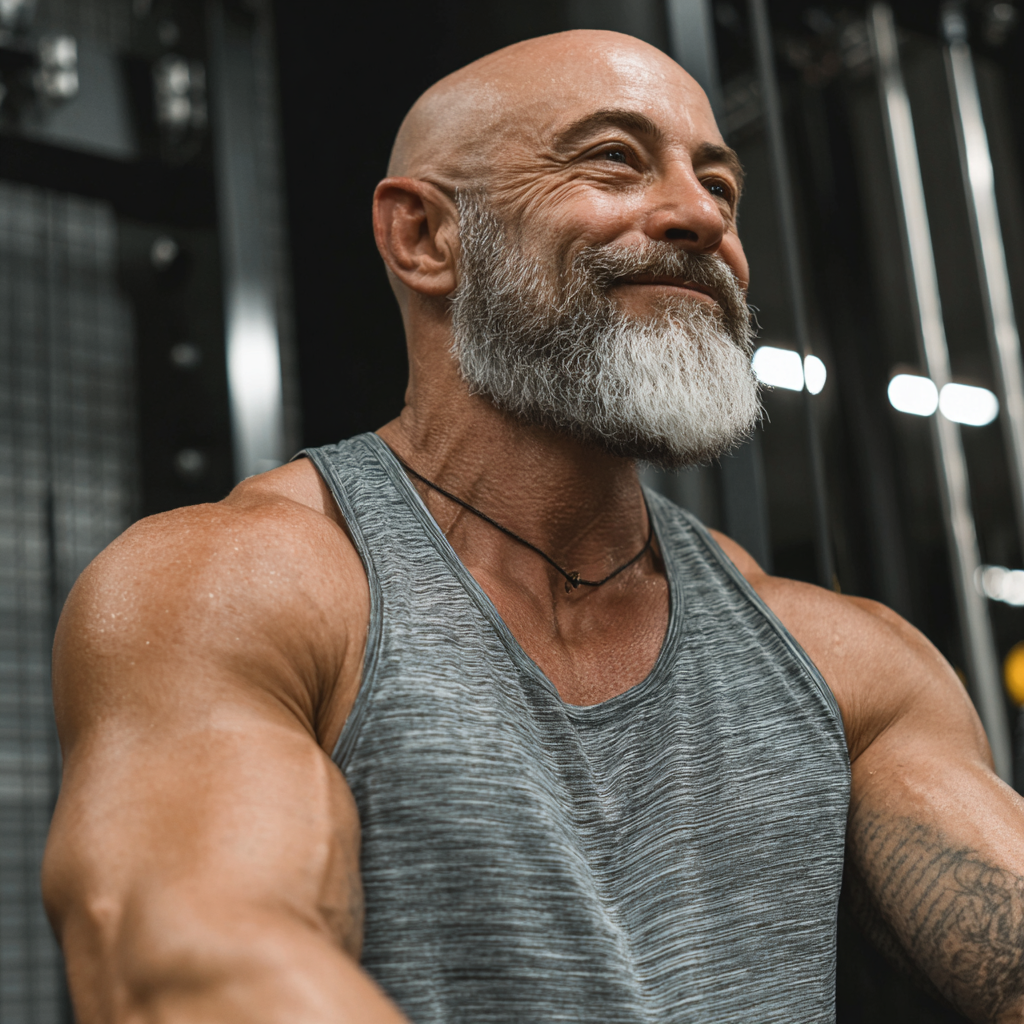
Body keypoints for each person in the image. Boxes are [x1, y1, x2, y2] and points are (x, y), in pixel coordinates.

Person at [43, 28, 1024, 1024]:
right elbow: (193, 963)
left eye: (721, 186)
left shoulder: (843, 664)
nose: (699, 216)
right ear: (427, 238)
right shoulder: (246, 589)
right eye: (613, 160)